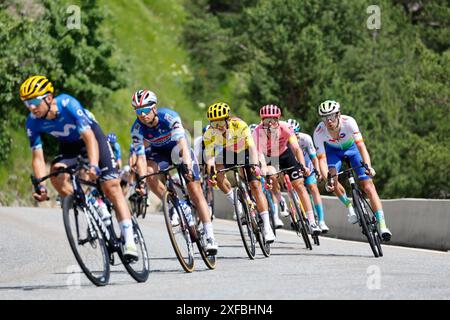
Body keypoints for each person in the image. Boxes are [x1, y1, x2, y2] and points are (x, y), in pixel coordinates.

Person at [20, 75, 138, 259]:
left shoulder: (68, 104)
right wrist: (41, 187)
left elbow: (90, 138)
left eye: (35, 101)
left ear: (49, 98)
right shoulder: (32, 122)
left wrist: (93, 166)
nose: (32, 107)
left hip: (92, 138)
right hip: (69, 148)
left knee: (111, 187)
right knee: (56, 173)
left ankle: (129, 240)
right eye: (27, 104)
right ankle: (88, 203)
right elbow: (38, 157)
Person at [130, 89, 218, 254]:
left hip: (178, 150)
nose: (141, 115)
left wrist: (188, 166)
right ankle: (174, 203)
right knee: (148, 174)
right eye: (137, 111)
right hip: (159, 154)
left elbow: (183, 144)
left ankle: (209, 235)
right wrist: (141, 180)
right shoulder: (137, 128)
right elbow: (140, 158)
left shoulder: (169, 117)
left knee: (195, 190)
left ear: (154, 108)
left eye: (144, 110)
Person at [313, 100, 392, 241]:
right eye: (324, 118)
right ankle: (349, 205)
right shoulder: (319, 131)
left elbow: (362, 147)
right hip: (334, 153)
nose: (328, 121)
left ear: (338, 115)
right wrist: (328, 178)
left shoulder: (349, 122)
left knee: (368, 186)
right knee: (332, 177)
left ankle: (383, 225)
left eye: (331, 116)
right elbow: (322, 160)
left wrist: (368, 166)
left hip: (352, 150)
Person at [203, 102, 276, 243]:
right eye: (214, 123)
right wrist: (211, 173)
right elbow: (210, 157)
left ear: (227, 119)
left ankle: (267, 227)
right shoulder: (209, 133)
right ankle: (236, 202)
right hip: (229, 153)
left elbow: (252, 148)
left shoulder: (240, 125)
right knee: (218, 175)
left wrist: (255, 165)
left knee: (255, 185)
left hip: (246, 151)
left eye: (220, 122)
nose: (218, 127)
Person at [252, 105, 321, 236]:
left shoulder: (284, 127)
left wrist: (303, 165)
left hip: (285, 154)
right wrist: (264, 169)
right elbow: (259, 155)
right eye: (267, 121)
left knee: (299, 185)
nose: (271, 123)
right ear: (262, 121)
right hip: (269, 157)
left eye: (274, 120)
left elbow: (295, 148)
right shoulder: (257, 132)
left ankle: (312, 221)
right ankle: (280, 199)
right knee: (271, 176)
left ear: (278, 119)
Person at [286, 118, 329, 233]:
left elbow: (314, 158)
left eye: (295, 135)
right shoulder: (283, 141)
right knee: (291, 188)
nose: (293, 138)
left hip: (307, 166)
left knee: (313, 187)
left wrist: (317, 171)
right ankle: (293, 213)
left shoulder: (305, 138)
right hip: (291, 166)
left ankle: (321, 221)